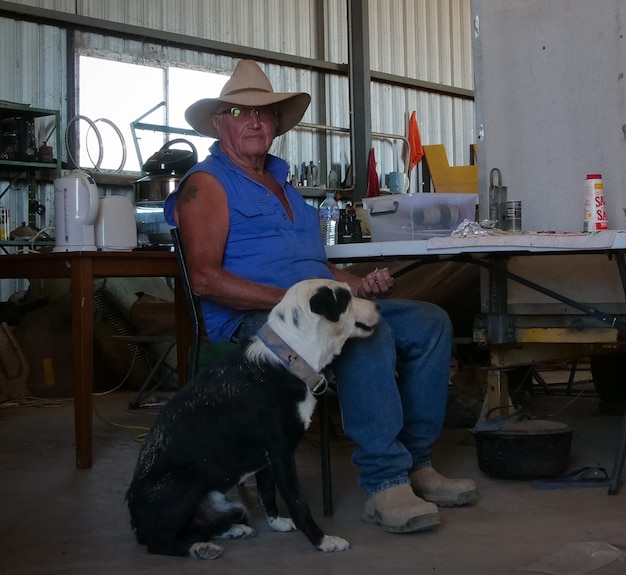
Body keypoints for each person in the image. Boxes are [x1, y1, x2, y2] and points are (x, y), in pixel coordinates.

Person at [163, 59, 478, 534]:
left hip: (317, 305)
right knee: (366, 332)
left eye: (263, 114)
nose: (252, 121)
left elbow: (319, 268)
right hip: (258, 324)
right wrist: (294, 302)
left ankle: (417, 465)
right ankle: (384, 482)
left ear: (275, 124)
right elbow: (205, 279)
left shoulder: (285, 186)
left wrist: (356, 284)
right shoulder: (207, 184)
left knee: (430, 321)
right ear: (218, 123)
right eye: (238, 112)